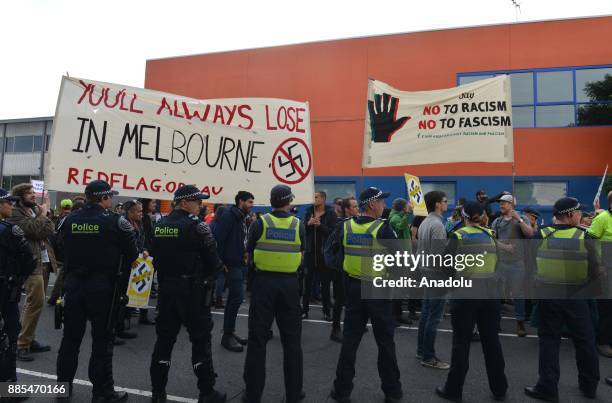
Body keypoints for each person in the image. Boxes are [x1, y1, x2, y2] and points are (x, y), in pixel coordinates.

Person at [56, 180, 138, 402]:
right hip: (102, 288)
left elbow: (59, 246)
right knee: (102, 342)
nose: (111, 200)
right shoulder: (116, 221)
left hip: (73, 285)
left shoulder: (69, 219)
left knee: (70, 340)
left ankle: (62, 391)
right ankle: (102, 392)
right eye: (110, 196)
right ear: (104, 198)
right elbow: (133, 254)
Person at [150, 185, 227, 403]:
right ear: (184, 203)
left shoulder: (160, 224)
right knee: (201, 341)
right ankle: (207, 391)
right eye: (197, 201)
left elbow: (154, 254)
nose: (200, 206)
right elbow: (213, 261)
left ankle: (158, 393)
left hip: (166, 290)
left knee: (164, 341)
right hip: (192, 292)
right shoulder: (198, 227)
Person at [524, 197, 602, 402]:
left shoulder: (540, 235)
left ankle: (547, 388)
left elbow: (530, 267)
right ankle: (589, 386)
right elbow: (597, 272)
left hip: (548, 296)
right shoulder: (586, 237)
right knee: (585, 341)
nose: (581, 216)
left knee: (549, 342)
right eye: (578, 213)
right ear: (569, 215)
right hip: (578, 297)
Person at [331, 187, 403, 403]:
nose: (384, 206)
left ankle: (341, 391)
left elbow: (333, 254)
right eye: (381, 202)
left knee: (350, 340)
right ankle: (392, 392)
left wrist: (346, 273)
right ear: (372, 205)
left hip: (353, 287)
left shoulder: (345, 227)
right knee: (385, 342)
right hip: (377, 289)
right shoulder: (383, 229)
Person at [435, 201, 507, 401]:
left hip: (465, 293)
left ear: (463, 216)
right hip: (490, 293)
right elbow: (497, 263)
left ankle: (453, 390)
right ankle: (499, 388)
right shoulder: (491, 235)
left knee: (461, 343)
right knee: (492, 342)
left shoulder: (458, 236)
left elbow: (446, 268)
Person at [243, 185, 305, 403]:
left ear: (271, 201)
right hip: (289, 285)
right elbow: (302, 255)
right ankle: (294, 395)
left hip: (264, 284)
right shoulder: (298, 225)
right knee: (292, 343)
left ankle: (252, 395)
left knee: (257, 341)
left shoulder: (260, 223)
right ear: (288, 201)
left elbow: (249, 256)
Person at [7, 183, 56, 362]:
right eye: (28, 193)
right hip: (28, 264)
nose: (33, 195)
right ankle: (22, 344)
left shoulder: (34, 210)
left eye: (33, 192)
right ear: (19, 197)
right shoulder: (15, 212)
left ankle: (29, 338)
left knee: (36, 303)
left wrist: (42, 216)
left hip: (42, 260)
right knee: (35, 301)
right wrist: (43, 215)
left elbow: (49, 229)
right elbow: (33, 230)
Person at [0, 188, 36, 385]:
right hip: (6, 290)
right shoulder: (11, 230)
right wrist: (18, 278)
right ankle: (8, 386)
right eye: (7, 202)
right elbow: (29, 261)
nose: (11, 206)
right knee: (10, 337)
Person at [213, 191, 254, 353]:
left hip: (238, 263)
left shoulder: (240, 217)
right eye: (249, 202)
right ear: (240, 201)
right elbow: (218, 238)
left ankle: (230, 331)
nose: (251, 205)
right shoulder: (229, 216)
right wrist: (220, 263)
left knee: (234, 299)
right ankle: (227, 336)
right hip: (230, 265)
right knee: (236, 298)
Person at [491, 194, 534, 337]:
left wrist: (519, 219)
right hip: (501, 263)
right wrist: (504, 247)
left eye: (504, 203)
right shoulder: (497, 221)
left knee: (518, 295)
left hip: (517, 264)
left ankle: (520, 323)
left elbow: (530, 234)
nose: (501, 205)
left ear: (512, 204)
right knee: (497, 294)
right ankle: (495, 322)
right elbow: (492, 240)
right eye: (500, 203)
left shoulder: (522, 218)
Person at [416, 191, 450, 370]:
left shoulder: (424, 222)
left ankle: (421, 350)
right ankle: (428, 356)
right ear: (437, 204)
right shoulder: (437, 224)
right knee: (434, 318)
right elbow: (439, 255)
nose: (447, 203)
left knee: (426, 313)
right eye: (445, 201)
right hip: (436, 274)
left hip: (426, 272)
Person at [302, 191, 338, 320]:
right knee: (307, 285)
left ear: (323, 199)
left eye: (316, 197)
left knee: (325, 285)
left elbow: (333, 233)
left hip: (324, 254)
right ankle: (304, 310)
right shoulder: (308, 212)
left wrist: (320, 225)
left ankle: (326, 311)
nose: (314, 199)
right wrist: (308, 224)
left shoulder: (331, 213)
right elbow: (303, 232)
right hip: (310, 254)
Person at [587, 191, 612, 358]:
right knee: (607, 307)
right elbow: (589, 242)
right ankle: (602, 341)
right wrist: (598, 265)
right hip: (606, 270)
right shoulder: (602, 219)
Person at [389, 198, 414, 326]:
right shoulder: (394, 218)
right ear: (402, 208)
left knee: (401, 288)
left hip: (404, 256)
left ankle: (398, 314)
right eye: (406, 206)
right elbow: (400, 226)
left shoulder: (399, 216)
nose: (408, 208)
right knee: (397, 288)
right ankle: (393, 316)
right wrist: (407, 214)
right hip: (399, 257)